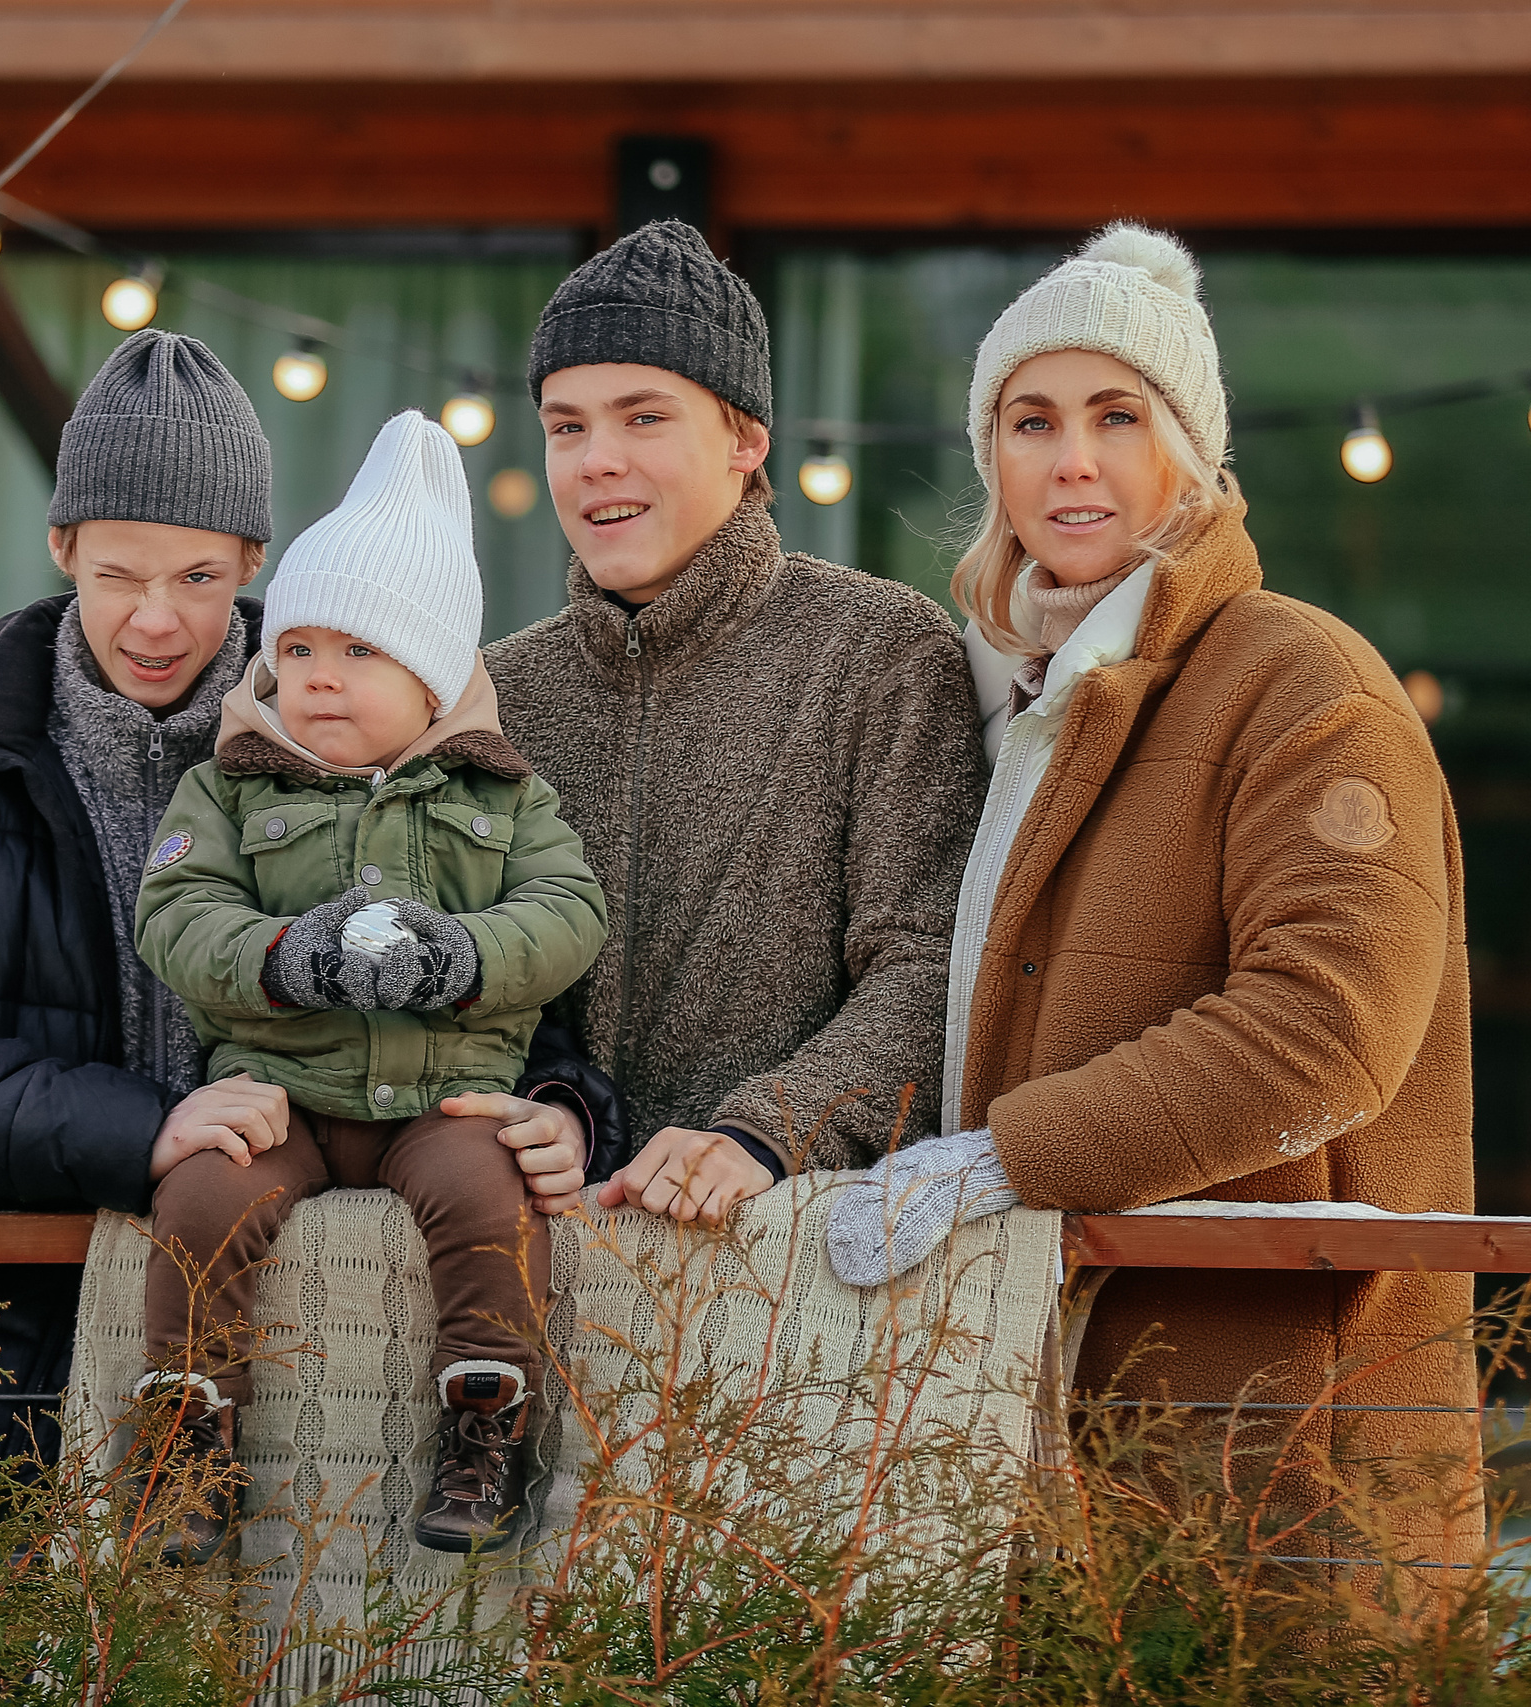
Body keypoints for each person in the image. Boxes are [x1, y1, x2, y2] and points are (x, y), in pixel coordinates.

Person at [0, 336, 605, 1488]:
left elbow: (536, 973)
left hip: (340, 1382)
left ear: (251, 557)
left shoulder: (400, 733)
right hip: (1, 1369)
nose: (155, 622)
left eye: (196, 578)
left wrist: (563, 1108)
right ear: (61, 546)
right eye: (118, 575)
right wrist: (142, 1129)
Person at [827, 224, 1480, 1573]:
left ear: (1191, 449)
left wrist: (1002, 1155)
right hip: (1046, 1422)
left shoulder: (1303, 682)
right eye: (1031, 419)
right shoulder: (1002, 703)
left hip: (1275, 1442)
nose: (1072, 458)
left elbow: (1327, 1029)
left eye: (1118, 415)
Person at [133, 411, 605, 1563]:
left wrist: (467, 956)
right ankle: (185, 1437)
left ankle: (484, 1420)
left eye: (358, 654)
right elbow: (176, 915)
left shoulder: (504, 798)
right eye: (297, 652)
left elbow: (569, 913)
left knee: (494, 1198)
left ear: (434, 675)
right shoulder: (230, 788)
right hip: (276, 1094)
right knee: (201, 1198)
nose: (319, 681)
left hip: (444, 1097)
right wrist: (286, 956)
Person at [487, 220, 987, 1222]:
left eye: (642, 418)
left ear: (745, 438)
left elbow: (931, 964)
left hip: (797, 1257)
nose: (595, 461)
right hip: (525, 1266)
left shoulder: (880, 649)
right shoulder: (495, 692)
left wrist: (767, 1129)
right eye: (566, 425)